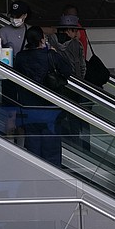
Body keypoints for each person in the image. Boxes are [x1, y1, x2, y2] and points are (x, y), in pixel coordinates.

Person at [14, 25, 71, 167]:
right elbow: (67, 71)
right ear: (42, 39)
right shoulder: (50, 55)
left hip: (29, 110)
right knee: (51, 151)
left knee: (33, 149)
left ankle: (35, 179)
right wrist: (53, 52)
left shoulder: (20, 58)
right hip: (51, 110)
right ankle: (52, 180)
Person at [0, 0, 31, 139]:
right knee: (10, 112)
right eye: (13, 15)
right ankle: (10, 139)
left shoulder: (30, 31)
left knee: (23, 114)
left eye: (18, 16)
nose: (14, 19)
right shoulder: (3, 31)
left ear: (25, 15)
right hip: (9, 76)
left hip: (26, 77)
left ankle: (22, 143)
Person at [48, 14, 88, 151]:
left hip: (54, 86)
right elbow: (82, 67)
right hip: (73, 87)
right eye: (75, 30)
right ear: (68, 30)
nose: (77, 33)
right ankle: (76, 149)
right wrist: (80, 82)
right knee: (74, 121)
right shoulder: (76, 45)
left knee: (56, 119)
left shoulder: (49, 42)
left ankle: (58, 146)